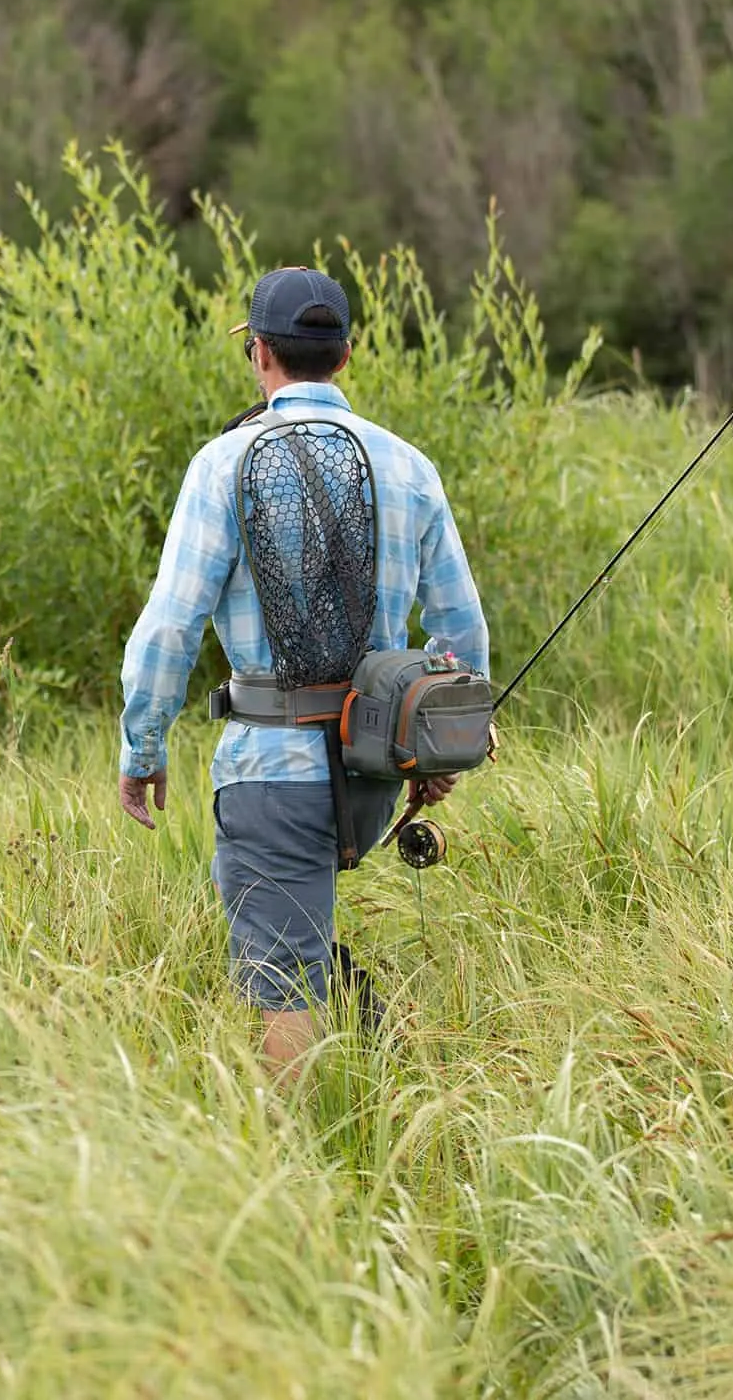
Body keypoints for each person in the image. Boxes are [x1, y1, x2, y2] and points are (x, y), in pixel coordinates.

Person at [117, 266, 490, 1076]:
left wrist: (141, 750)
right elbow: (460, 627)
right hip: (372, 771)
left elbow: (171, 626)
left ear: (258, 354)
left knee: (281, 977)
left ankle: (300, 1159)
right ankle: (378, 1088)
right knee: (302, 940)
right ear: (346, 356)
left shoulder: (221, 464)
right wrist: (447, 748)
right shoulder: (409, 466)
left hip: (268, 765)